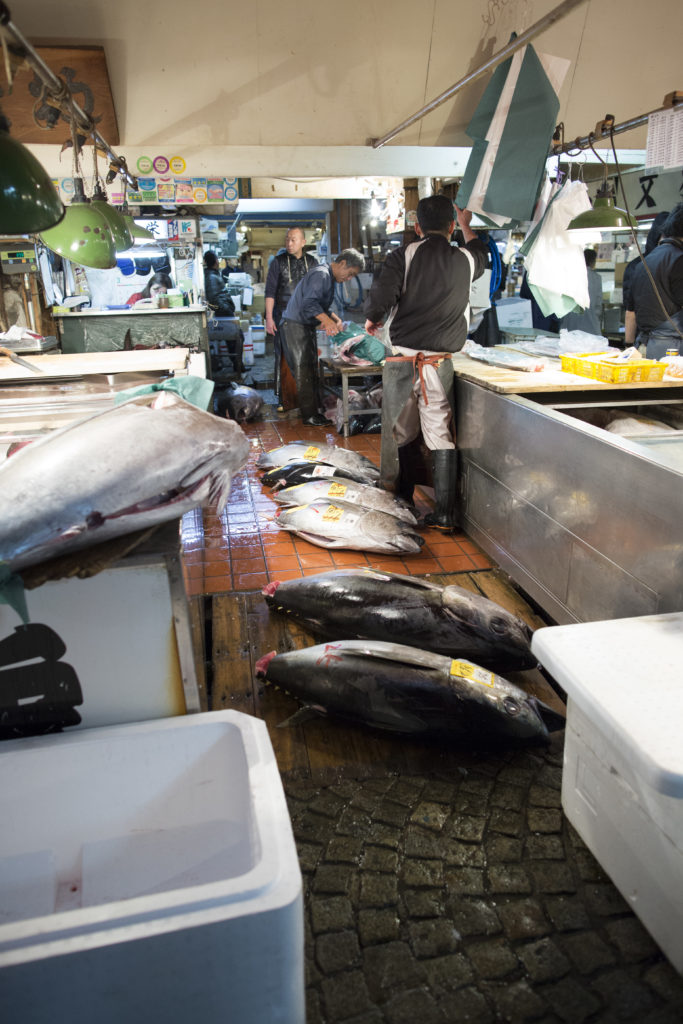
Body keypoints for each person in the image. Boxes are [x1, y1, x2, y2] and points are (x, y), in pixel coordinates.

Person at [364, 195, 488, 531]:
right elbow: (482, 253)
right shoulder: (465, 258)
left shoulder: (402, 254)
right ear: (451, 226)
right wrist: (467, 225)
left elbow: (382, 296)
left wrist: (373, 319)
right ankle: (445, 514)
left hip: (403, 360)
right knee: (439, 433)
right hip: (438, 363)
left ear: (417, 226)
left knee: (399, 430)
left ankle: (399, 498)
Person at [279, 249, 365, 426]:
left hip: (303, 326)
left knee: (310, 370)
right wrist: (327, 322)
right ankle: (309, 416)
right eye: (350, 274)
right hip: (295, 326)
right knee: (304, 371)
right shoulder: (322, 275)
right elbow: (309, 304)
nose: (348, 279)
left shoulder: (328, 277)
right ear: (342, 264)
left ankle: (314, 411)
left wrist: (334, 318)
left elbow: (319, 304)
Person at [265, 228, 318, 406]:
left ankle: (309, 400)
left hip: (306, 318)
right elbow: (270, 292)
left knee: (307, 357)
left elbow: (318, 292)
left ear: (303, 242)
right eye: (287, 239)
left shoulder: (312, 262)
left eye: (293, 240)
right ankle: (285, 399)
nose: (289, 243)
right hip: (282, 317)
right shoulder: (278, 262)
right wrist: (269, 318)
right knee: (284, 357)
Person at [624, 203, 683, 358]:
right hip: (671, 353)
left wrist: (628, 346)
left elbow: (631, 311)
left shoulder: (644, 262)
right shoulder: (679, 259)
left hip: (644, 347)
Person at [621, 211, 669, 316]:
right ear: (656, 238)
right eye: (666, 241)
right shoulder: (636, 266)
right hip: (644, 328)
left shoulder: (676, 265)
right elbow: (630, 310)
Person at [560, 249, 603, 336]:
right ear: (592, 262)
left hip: (569, 325)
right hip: (591, 326)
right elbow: (598, 305)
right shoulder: (596, 278)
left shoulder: (569, 276)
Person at [203, 251, 235, 317]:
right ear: (216, 261)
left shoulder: (213, 274)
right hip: (223, 315)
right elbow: (215, 300)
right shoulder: (211, 277)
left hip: (224, 314)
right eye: (217, 259)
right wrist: (228, 312)